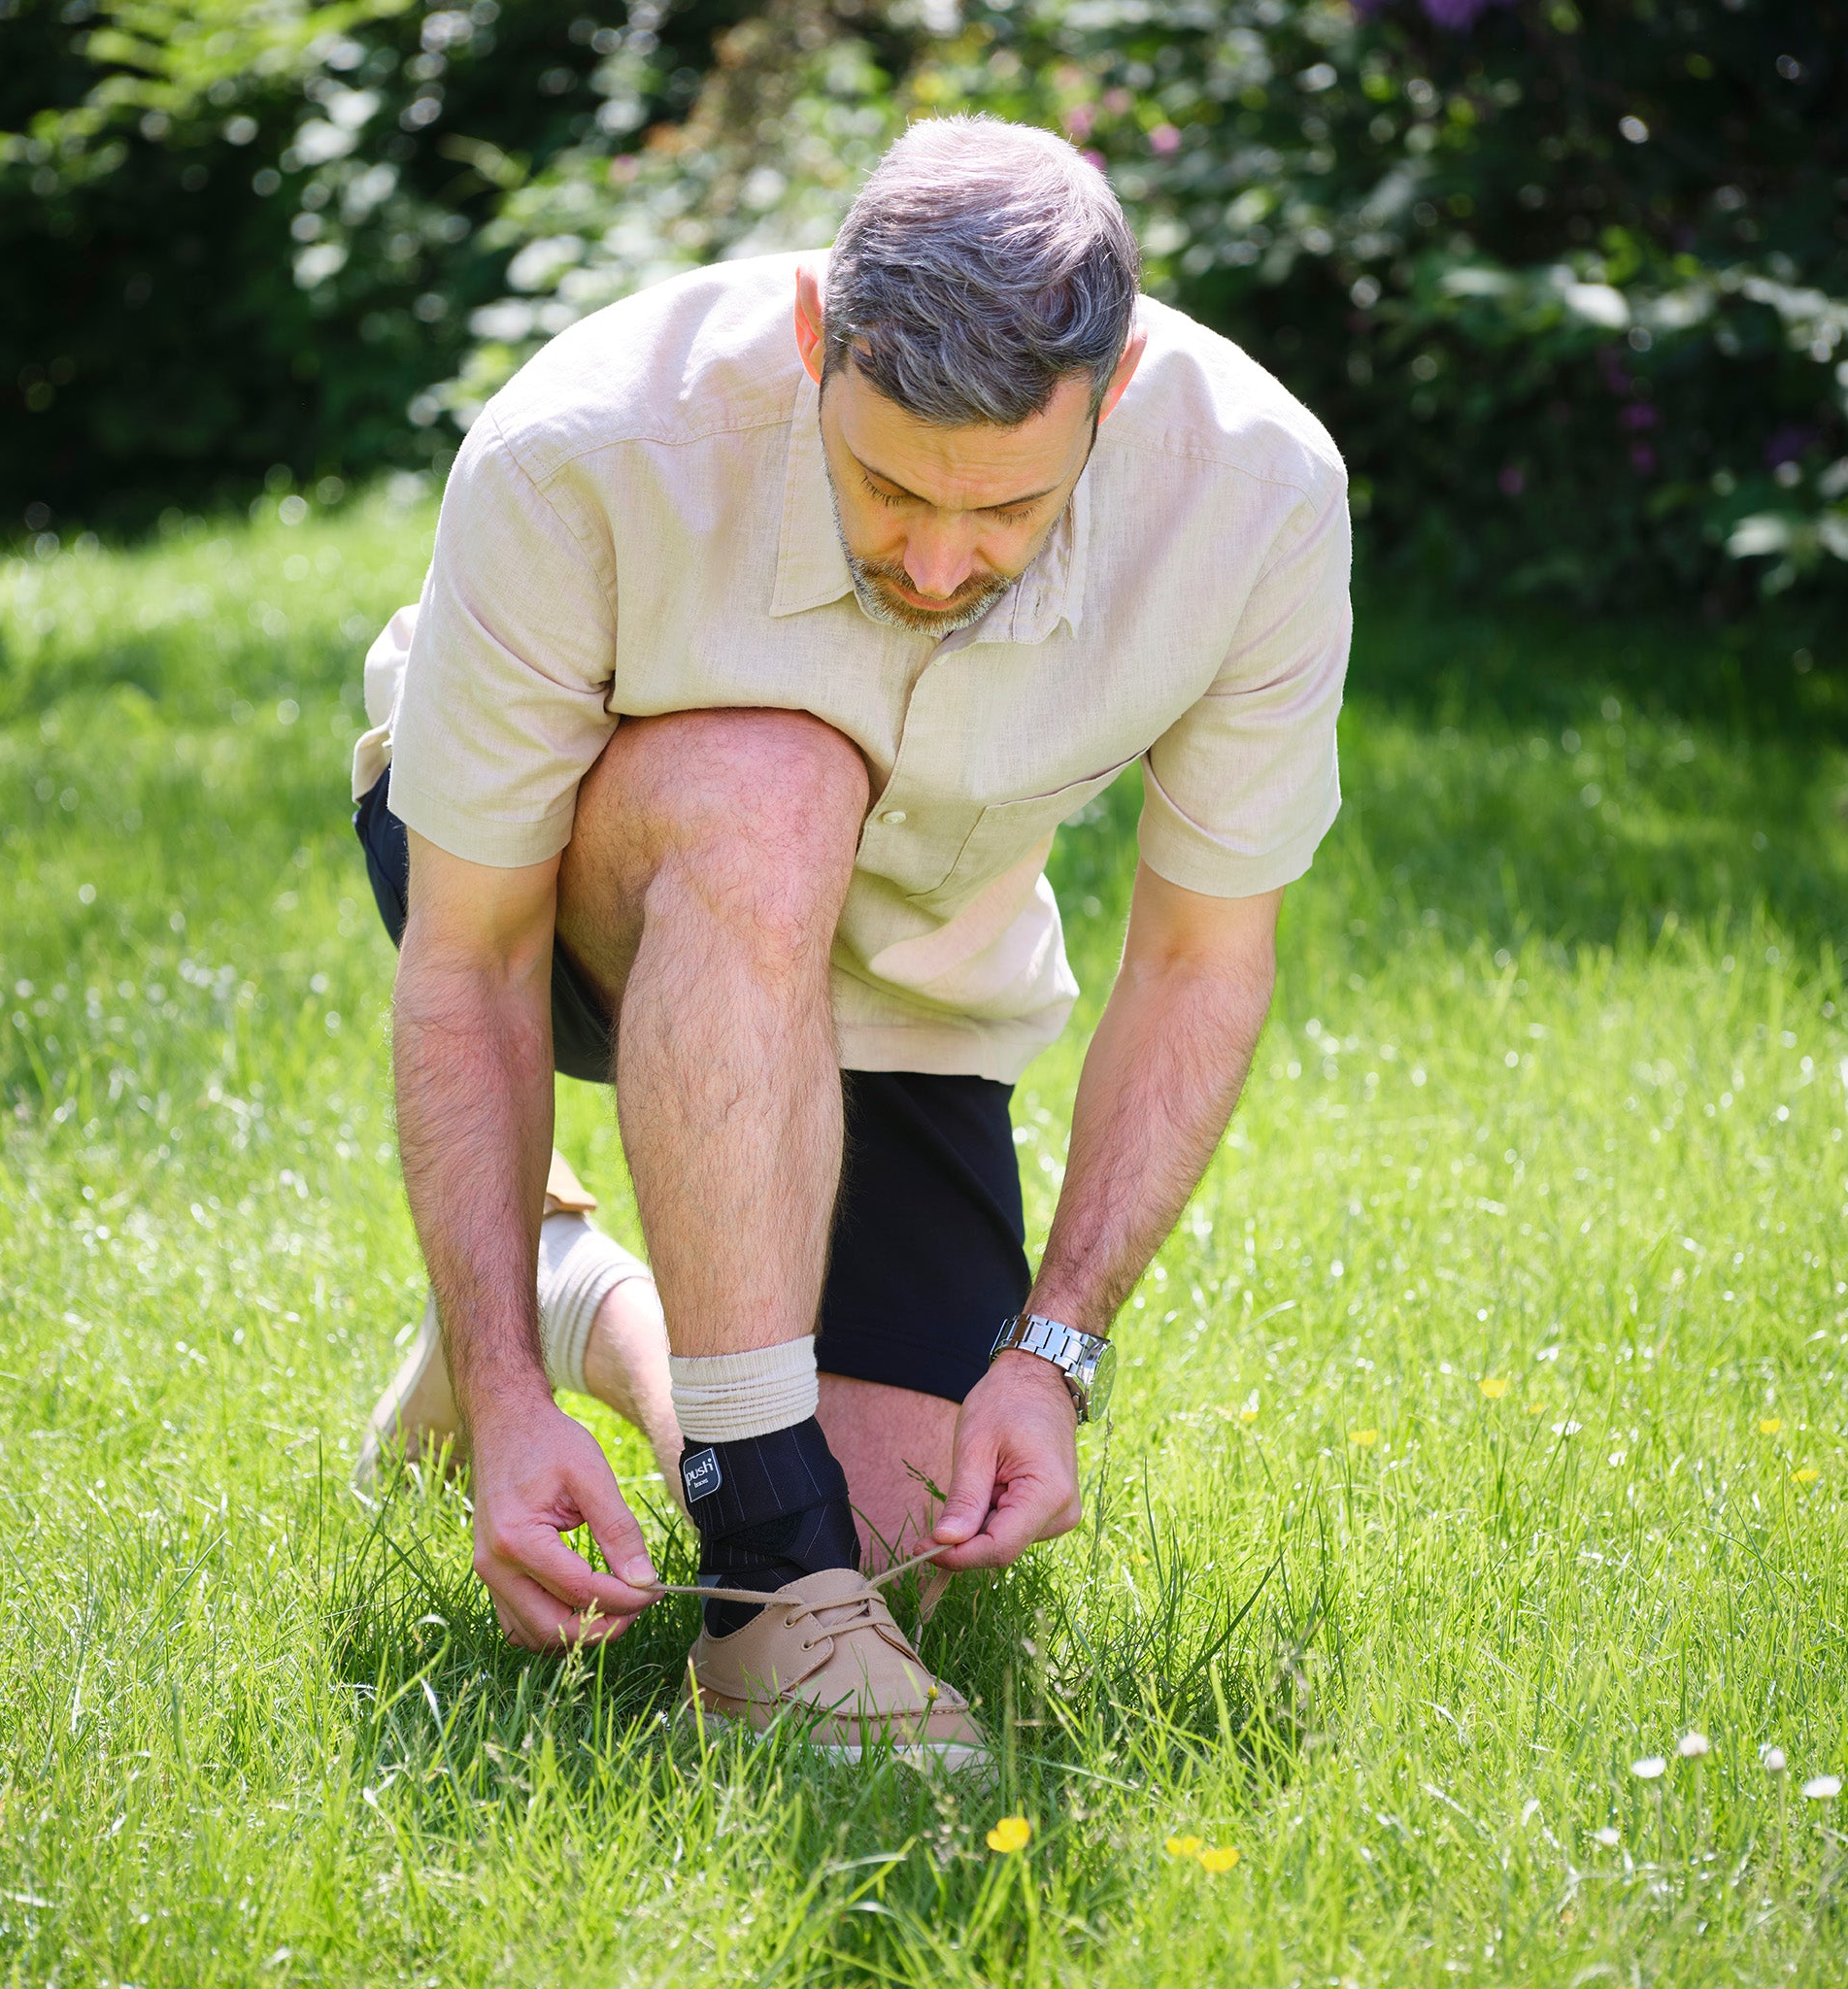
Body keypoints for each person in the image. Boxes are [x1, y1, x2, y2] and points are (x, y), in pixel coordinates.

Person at [349, 113, 1349, 1765]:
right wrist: (515, 1431)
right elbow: (467, 956)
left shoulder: (1256, 498)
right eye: (885, 483)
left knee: (894, 1536)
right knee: (773, 780)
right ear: (818, 336)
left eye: (1008, 508)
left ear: (1114, 392)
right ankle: (766, 1596)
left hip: (903, 970)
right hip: (560, 890)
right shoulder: (583, 443)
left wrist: (1053, 1353)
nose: (939, 559)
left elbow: (1201, 957)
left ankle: (576, 1303)